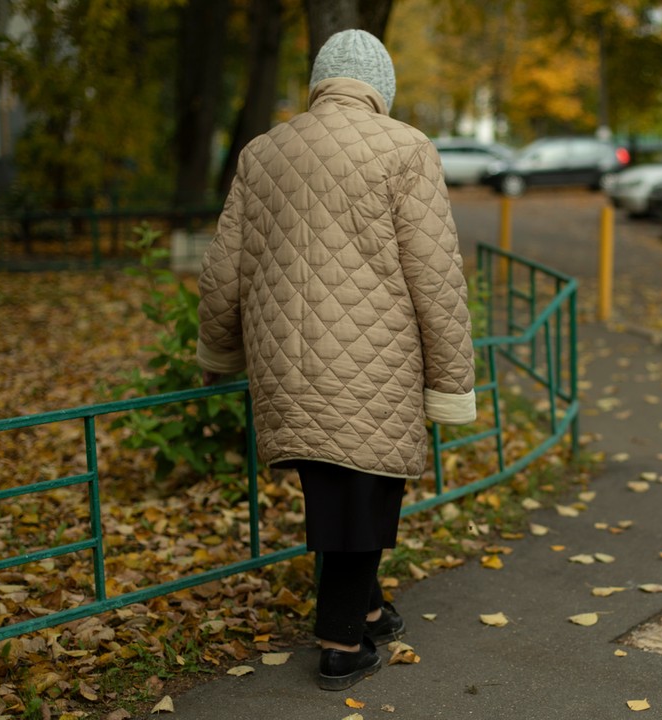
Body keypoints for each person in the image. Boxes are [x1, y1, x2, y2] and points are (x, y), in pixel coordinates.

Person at [196, 28, 476, 691]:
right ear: (380, 89)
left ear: (320, 82)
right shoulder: (407, 149)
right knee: (370, 490)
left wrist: (219, 351)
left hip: (286, 358)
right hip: (377, 358)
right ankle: (341, 643)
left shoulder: (263, 152)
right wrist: (452, 380)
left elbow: (222, 270)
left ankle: (369, 609)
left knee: (332, 485)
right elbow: (435, 277)